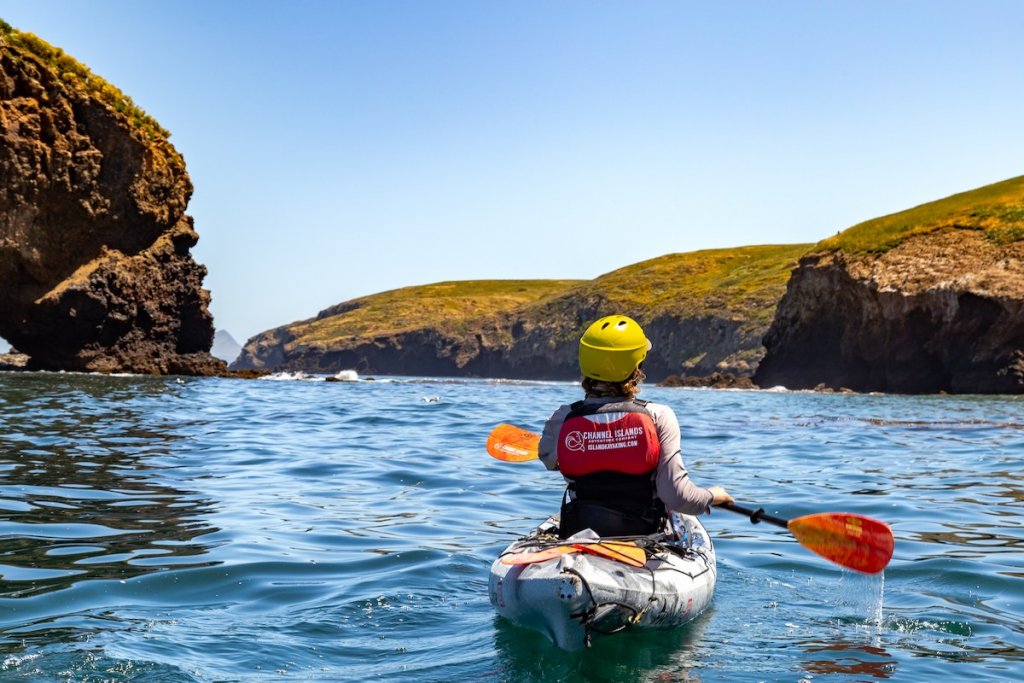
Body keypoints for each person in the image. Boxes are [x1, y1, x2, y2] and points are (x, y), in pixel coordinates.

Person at [538, 314, 734, 538]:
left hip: (581, 528)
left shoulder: (562, 418)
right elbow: (677, 497)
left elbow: (550, 461)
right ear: (637, 365)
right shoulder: (658, 415)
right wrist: (712, 496)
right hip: (643, 534)